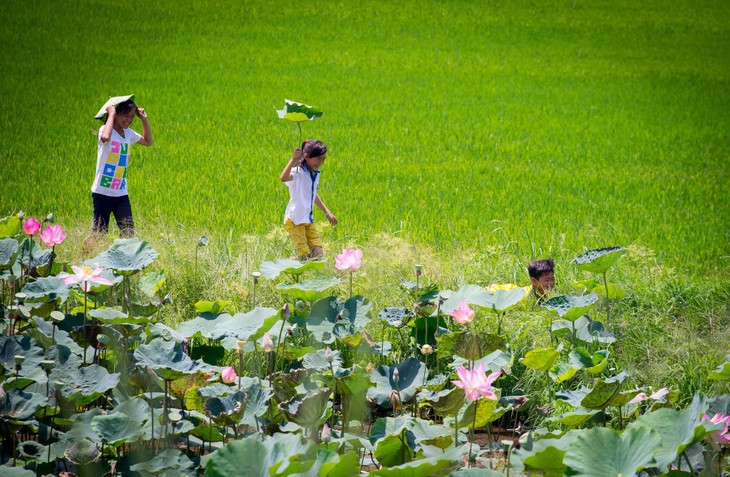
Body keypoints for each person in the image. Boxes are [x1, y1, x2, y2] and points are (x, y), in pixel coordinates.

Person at [90, 98, 153, 237]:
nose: (129, 120)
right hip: (102, 193)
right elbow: (106, 137)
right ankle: (84, 254)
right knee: (99, 233)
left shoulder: (129, 133)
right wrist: (110, 114)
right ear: (117, 114)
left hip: (121, 193)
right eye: (126, 115)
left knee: (128, 232)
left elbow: (148, 141)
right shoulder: (105, 130)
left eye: (131, 117)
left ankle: (122, 257)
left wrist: (144, 119)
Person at [280, 139, 337, 260]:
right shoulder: (298, 172)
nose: (321, 162)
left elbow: (313, 193)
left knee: (317, 252)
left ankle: (308, 273)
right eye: (318, 159)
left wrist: (327, 212)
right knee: (303, 255)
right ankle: (293, 268)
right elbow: (283, 178)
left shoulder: (315, 173)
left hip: (308, 219)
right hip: (295, 219)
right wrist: (293, 159)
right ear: (306, 156)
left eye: (323, 159)